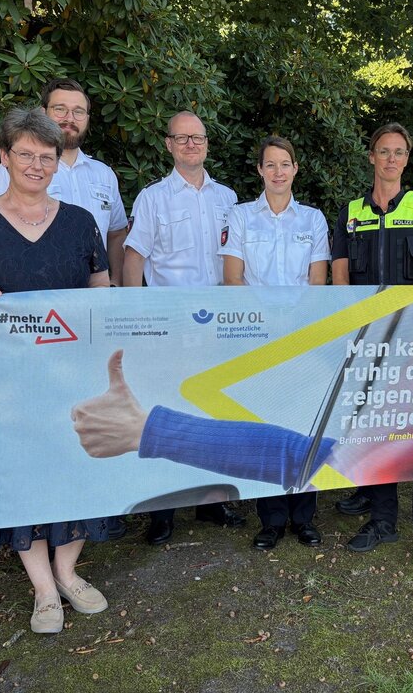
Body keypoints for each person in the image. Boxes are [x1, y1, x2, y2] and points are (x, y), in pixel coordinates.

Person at [0, 108, 110, 635]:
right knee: (19, 471)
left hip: (70, 369)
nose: (36, 164)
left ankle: (68, 571)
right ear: (5, 157)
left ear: (58, 163)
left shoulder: (81, 222)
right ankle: (42, 587)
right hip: (4, 376)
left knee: (76, 463)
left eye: (46, 156)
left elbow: (101, 292)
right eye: (26, 154)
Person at [122, 110, 245, 545]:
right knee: (166, 414)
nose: (192, 145)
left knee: (211, 411)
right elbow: (134, 258)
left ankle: (212, 501)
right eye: (183, 138)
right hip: (168, 324)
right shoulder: (152, 199)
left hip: (219, 324)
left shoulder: (229, 199)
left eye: (198, 138)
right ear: (169, 145)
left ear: (207, 144)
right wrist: (134, 316)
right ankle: (162, 510)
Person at [330, 122, 413, 560]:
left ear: (406, 159)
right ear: (372, 157)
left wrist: (398, 321)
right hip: (366, 340)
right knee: (372, 430)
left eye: (399, 151)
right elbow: (340, 277)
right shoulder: (351, 212)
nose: (391, 158)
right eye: (383, 151)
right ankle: (382, 520)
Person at [219, 136, 330, 550]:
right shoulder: (241, 215)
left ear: (295, 169)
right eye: (270, 165)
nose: (278, 172)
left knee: (305, 424)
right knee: (264, 426)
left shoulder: (313, 220)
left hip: (302, 335)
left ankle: (304, 516)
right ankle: (271, 518)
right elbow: (233, 279)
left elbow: (318, 282)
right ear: (260, 171)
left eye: (285, 164)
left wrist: (297, 324)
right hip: (258, 335)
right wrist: (267, 322)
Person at [0, 78, 127, 288]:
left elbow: (116, 233)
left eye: (78, 111)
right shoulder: (20, 169)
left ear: (87, 118)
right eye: (60, 109)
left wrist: (115, 282)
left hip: (91, 302)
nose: (69, 118)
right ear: (42, 112)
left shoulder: (104, 175)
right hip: (33, 302)